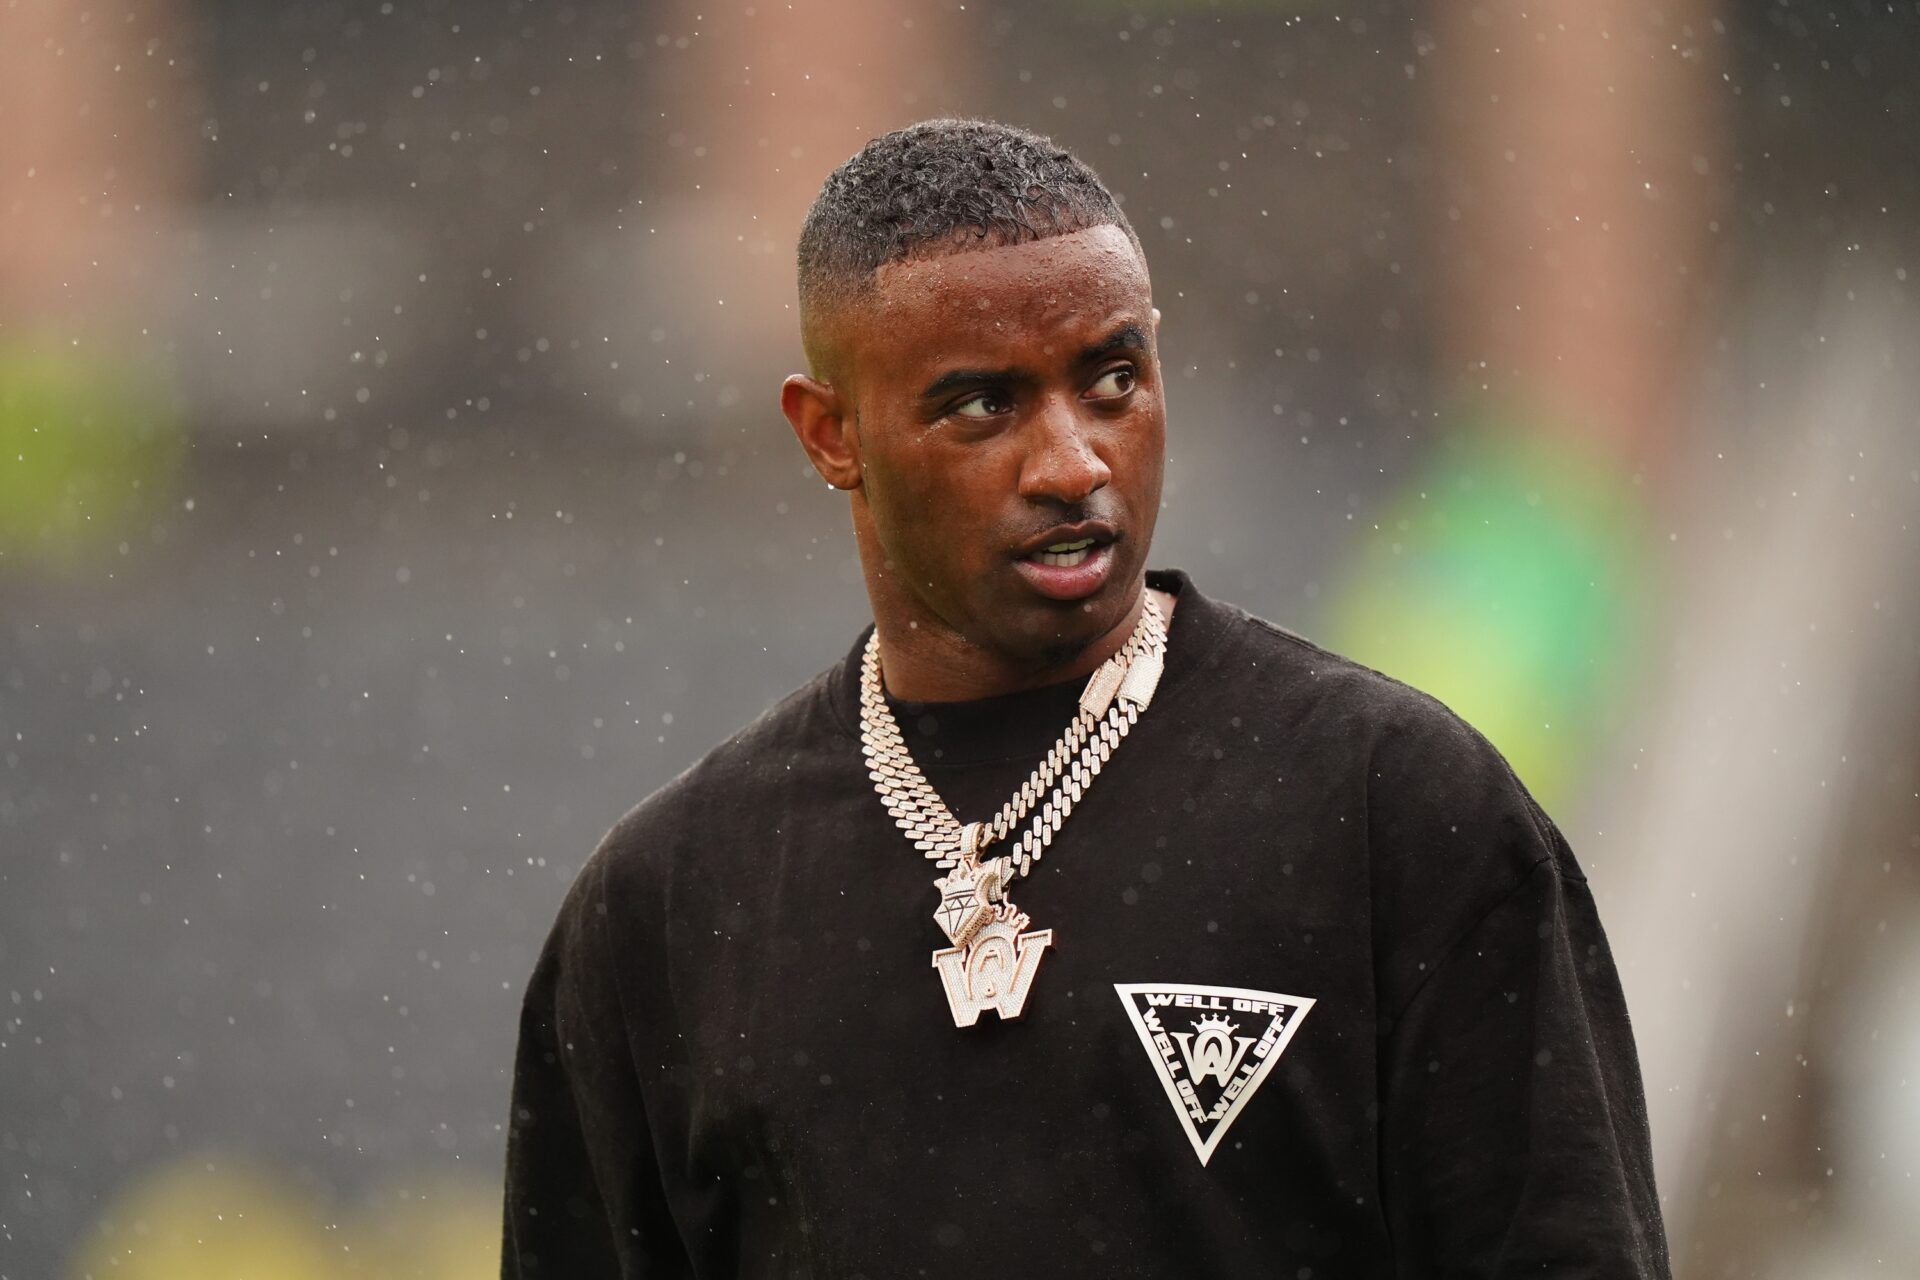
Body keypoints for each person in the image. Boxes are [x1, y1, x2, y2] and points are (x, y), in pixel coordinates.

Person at [499, 118, 1670, 1279]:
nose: (1073, 462)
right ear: (831, 433)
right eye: (982, 405)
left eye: (1113, 378)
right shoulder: (665, 904)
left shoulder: (1401, 808)